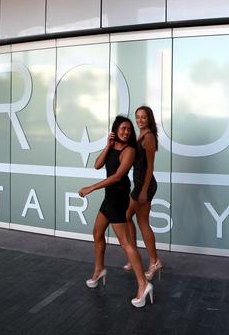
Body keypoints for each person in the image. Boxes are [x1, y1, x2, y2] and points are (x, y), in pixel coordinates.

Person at [78, 115, 153, 308]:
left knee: (126, 243)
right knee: (97, 233)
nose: (126, 131)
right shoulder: (113, 147)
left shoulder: (130, 150)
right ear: (115, 130)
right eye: (122, 128)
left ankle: (143, 284)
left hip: (118, 197)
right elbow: (97, 165)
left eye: (129, 129)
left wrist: (91, 188)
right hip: (109, 197)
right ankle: (99, 270)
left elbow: (118, 176)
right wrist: (107, 146)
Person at [123, 106, 163, 280]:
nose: (139, 120)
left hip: (144, 185)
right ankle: (135, 257)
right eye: (137, 117)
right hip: (139, 184)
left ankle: (153, 261)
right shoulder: (138, 136)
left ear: (149, 119)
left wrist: (144, 190)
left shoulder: (148, 137)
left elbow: (150, 167)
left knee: (142, 222)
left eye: (143, 117)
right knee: (127, 217)